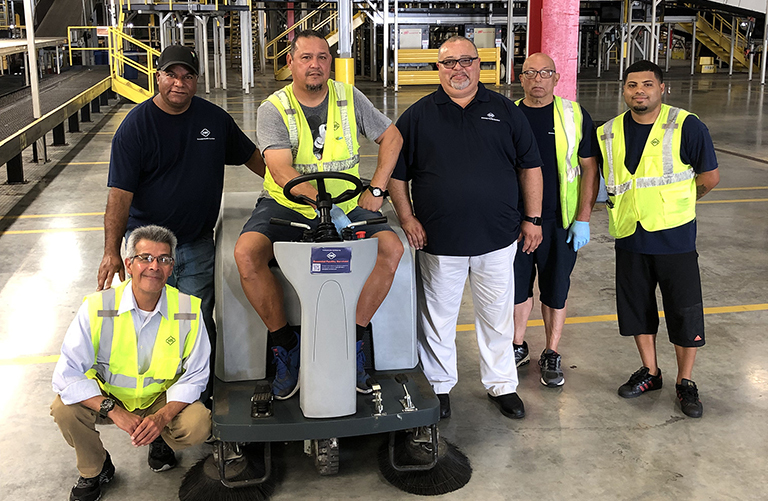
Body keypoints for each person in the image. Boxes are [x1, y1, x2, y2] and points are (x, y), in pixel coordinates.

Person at [233, 30, 404, 399]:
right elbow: (279, 169)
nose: (315, 65)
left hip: (344, 202)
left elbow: (393, 138)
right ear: (291, 63)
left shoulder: (349, 97)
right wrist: (317, 202)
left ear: (330, 62)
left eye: (323, 57)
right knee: (246, 255)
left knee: (392, 250)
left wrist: (375, 189)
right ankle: (285, 346)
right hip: (288, 203)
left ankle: (353, 340)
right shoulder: (273, 109)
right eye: (306, 57)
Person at [389, 36, 544, 420]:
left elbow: (531, 167)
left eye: (466, 61)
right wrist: (407, 218)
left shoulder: (506, 111)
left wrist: (533, 219)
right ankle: (440, 388)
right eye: (449, 63)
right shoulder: (418, 115)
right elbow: (395, 174)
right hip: (440, 240)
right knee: (438, 319)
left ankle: (502, 385)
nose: (458, 69)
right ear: (438, 68)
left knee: (496, 315)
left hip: (498, 237)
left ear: (480, 65)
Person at [97, 45, 266, 393]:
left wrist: (290, 190)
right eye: (171, 75)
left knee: (197, 322)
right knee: (151, 323)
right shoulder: (136, 127)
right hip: (148, 251)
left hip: (196, 244)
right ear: (157, 76)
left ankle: (202, 398)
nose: (179, 83)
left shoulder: (213, 120)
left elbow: (253, 157)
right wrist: (112, 251)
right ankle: (157, 408)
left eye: (187, 76)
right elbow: (119, 198)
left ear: (196, 81)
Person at [52, 225, 211, 501]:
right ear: (129, 264)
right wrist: (113, 410)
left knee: (198, 423)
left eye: (163, 259)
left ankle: (159, 437)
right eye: (145, 258)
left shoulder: (187, 309)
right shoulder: (99, 306)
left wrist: (161, 417)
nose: (154, 266)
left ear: (171, 268)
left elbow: (196, 375)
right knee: (64, 408)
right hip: (109, 396)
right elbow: (67, 375)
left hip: (159, 398)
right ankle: (95, 468)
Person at [597, 60, 719, 418]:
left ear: (662, 88)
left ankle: (685, 381)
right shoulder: (608, 132)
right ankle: (651, 371)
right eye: (632, 85)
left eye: (647, 85)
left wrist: (678, 203)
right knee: (637, 310)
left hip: (675, 237)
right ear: (624, 90)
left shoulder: (686, 125)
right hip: (630, 235)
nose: (639, 92)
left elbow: (709, 178)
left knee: (683, 309)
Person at [512, 53, 599, 388]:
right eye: (531, 72)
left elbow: (590, 168)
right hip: (517, 222)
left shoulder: (573, 114)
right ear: (521, 78)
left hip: (560, 221)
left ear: (556, 77)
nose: (538, 79)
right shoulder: (510, 114)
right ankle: (518, 345)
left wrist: (583, 218)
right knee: (518, 288)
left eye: (545, 72)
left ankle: (551, 351)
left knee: (555, 289)